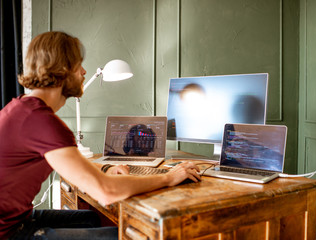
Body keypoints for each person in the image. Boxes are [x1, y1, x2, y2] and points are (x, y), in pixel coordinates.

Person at [0, 31, 201, 240]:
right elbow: (107, 192)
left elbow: (70, 166)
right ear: (62, 69)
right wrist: (169, 178)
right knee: (122, 236)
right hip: (9, 233)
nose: (84, 71)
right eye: (78, 65)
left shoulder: (23, 109)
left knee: (91, 218)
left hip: (17, 219)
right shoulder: (42, 122)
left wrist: (105, 170)